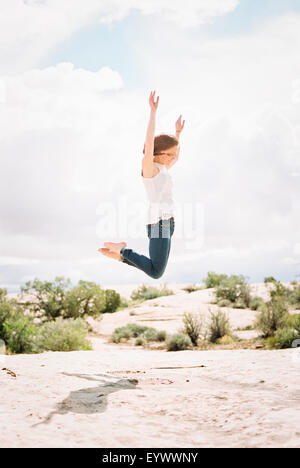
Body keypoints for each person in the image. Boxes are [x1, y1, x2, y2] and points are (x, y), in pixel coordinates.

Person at [98, 90, 185, 278]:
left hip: (168, 223)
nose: (173, 157)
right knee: (156, 272)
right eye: (170, 154)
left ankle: (120, 257)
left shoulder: (163, 169)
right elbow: (149, 143)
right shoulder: (150, 169)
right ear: (159, 153)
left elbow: (176, 155)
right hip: (159, 223)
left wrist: (177, 133)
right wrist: (153, 112)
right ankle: (122, 251)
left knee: (155, 268)